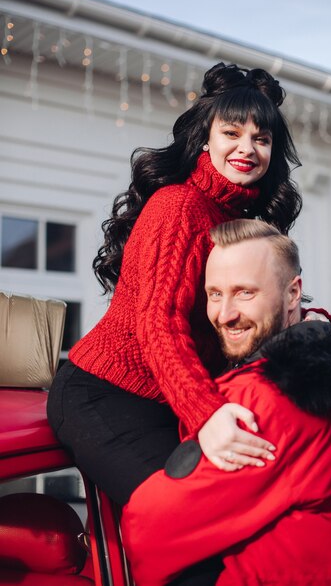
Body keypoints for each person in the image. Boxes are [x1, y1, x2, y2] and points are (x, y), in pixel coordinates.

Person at [47, 62, 304, 508]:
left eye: (261, 139)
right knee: (187, 515)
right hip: (104, 392)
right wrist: (207, 415)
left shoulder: (239, 223)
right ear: (206, 138)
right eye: (232, 133)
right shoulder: (180, 206)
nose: (247, 148)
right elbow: (158, 322)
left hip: (166, 398)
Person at [121, 219, 331, 586]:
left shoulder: (261, 402)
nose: (224, 314)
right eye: (215, 294)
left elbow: (147, 528)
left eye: (245, 293)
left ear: (292, 293)